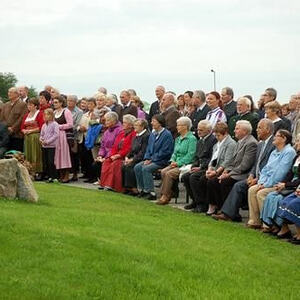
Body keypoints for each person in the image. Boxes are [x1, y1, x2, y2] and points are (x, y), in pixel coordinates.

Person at [213, 119, 275, 222]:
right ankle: (224, 210)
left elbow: (246, 165)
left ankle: (230, 213)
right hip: (250, 175)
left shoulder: (256, 143)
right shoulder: (259, 144)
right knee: (216, 180)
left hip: (249, 175)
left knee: (233, 184)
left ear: (268, 130)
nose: (257, 130)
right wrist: (227, 171)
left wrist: (230, 174)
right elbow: (255, 164)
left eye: (259, 127)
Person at [247, 129, 296, 229]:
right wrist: (261, 182)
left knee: (261, 193)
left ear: (284, 139)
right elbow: (265, 169)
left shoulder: (289, 152)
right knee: (252, 190)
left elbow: (281, 173)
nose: (274, 138)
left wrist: (266, 185)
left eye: (277, 136)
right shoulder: (274, 152)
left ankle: (268, 223)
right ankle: (255, 221)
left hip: (277, 183)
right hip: (266, 182)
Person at [206, 120, 257, 215]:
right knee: (213, 181)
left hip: (243, 174)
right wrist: (226, 171)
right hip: (235, 172)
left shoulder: (251, 143)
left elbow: (244, 166)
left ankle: (231, 213)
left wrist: (228, 174)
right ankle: (221, 208)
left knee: (225, 181)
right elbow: (232, 161)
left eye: (237, 129)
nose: (234, 131)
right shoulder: (240, 142)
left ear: (245, 131)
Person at [260, 134, 300, 234]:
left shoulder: (289, 152)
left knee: (279, 199)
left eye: (298, 141)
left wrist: (285, 185)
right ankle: (275, 225)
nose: (296, 143)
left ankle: (282, 227)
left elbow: (298, 179)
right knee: (271, 196)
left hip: (295, 186)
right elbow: (289, 174)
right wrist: (282, 183)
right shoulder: (297, 157)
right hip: (291, 185)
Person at [180, 120, 220, 212]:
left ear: (208, 131)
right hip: (200, 166)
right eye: (198, 130)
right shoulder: (200, 140)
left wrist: (200, 167)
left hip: (208, 167)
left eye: (201, 130)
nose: (198, 132)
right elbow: (196, 157)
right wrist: (194, 166)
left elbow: (212, 158)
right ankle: (195, 200)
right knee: (186, 176)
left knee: (194, 177)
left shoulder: (213, 141)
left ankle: (201, 204)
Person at [157, 117, 197, 205]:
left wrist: (178, 163)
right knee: (163, 171)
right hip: (176, 163)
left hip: (186, 165)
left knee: (169, 173)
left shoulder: (192, 139)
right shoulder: (178, 139)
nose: (177, 127)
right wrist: (172, 161)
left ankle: (165, 195)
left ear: (185, 127)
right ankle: (171, 192)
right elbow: (174, 153)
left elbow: (190, 155)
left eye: (179, 125)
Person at [134, 114, 174, 200]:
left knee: (146, 169)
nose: (151, 123)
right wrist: (147, 158)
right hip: (151, 159)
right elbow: (148, 148)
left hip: (162, 160)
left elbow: (165, 151)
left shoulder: (167, 134)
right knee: (137, 167)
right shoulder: (153, 133)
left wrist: (152, 160)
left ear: (160, 123)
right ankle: (143, 190)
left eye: (154, 121)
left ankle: (151, 192)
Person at [100, 114, 137, 192]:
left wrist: (119, 155)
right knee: (106, 162)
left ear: (130, 125)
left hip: (124, 156)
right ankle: (103, 184)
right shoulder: (122, 133)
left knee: (115, 164)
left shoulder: (133, 134)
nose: (123, 124)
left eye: (125, 123)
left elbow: (129, 148)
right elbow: (115, 146)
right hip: (116, 155)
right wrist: (112, 155)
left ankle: (112, 185)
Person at [122, 119, 150, 195]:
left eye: (137, 125)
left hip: (141, 158)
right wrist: (127, 157)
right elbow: (131, 149)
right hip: (133, 157)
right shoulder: (136, 136)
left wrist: (132, 159)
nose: (135, 127)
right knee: (123, 166)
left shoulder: (146, 136)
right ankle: (127, 187)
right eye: (134, 125)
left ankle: (134, 189)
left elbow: (143, 151)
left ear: (142, 126)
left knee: (130, 167)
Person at [20, 98, 44, 178]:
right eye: (28, 105)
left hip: (35, 137)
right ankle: (29, 171)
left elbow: (41, 127)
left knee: (36, 154)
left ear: (35, 106)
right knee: (28, 154)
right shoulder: (26, 115)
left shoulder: (40, 114)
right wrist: (24, 131)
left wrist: (31, 131)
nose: (29, 106)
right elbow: (22, 127)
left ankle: (37, 172)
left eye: (31, 105)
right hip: (27, 138)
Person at [53, 95, 74, 183]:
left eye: (56, 102)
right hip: (57, 137)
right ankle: (60, 174)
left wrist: (59, 126)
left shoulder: (66, 111)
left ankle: (66, 175)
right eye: (53, 102)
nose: (54, 104)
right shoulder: (54, 112)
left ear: (61, 103)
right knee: (58, 155)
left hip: (64, 136)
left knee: (65, 155)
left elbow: (70, 124)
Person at [0, 87, 27, 151]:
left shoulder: (23, 104)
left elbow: (22, 118)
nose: (8, 94)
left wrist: (13, 128)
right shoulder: (6, 104)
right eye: (8, 92)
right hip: (5, 135)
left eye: (11, 92)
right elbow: (2, 118)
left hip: (17, 136)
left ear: (17, 94)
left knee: (16, 155)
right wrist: (4, 128)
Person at [40, 108, 59, 182]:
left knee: (51, 161)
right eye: (45, 114)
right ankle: (49, 176)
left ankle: (54, 176)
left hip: (52, 146)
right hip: (44, 146)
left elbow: (56, 135)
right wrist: (41, 139)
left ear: (51, 115)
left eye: (47, 114)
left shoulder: (55, 124)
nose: (45, 116)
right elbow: (42, 134)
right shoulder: (44, 125)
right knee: (46, 161)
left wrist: (48, 141)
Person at [67, 95, 83, 181]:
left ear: (75, 102)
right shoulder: (64, 110)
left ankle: (75, 173)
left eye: (71, 101)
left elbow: (77, 124)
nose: (69, 102)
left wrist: (66, 127)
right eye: (68, 100)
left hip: (74, 136)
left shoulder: (79, 112)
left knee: (74, 155)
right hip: (64, 135)